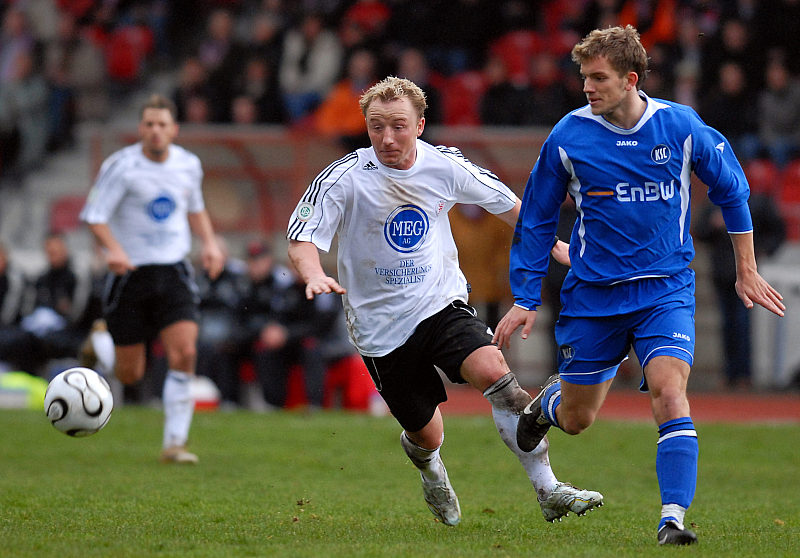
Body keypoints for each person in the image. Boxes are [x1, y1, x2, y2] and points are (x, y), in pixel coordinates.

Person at [493, 26, 786, 546]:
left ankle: (671, 517)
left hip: (664, 291)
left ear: (631, 80)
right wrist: (524, 295)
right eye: (584, 77)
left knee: (671, 395)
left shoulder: (679, 126)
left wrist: (747, 268)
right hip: (593, 297)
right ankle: (547, 406)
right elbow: (537, 218)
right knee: (579, 419)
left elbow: (732, 189)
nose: (587, 86)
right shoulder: (568, 135)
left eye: (598, 77)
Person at [287, 76, 602, 527]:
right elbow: (301, 238)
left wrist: (554, 246)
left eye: (398, 126)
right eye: (376, 127)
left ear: (419, 124)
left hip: (440, 303)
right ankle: (431, 468)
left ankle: (548, 489)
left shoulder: (445, 165)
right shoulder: (344, 177)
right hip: (379, 327)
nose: (387, 138)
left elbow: (508, 203)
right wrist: (315, 274)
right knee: (427, 433)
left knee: (498, 377)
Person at [79, 93, 225, 464]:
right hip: (130, 273)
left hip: (174, 269)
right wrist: (113, 249)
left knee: (185, 352)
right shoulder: (121, 166)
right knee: (131, 375)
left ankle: (174, 443)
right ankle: (102, 341)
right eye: (149, 124)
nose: (156, 131)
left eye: (162, 124)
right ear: (141, 129)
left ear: (174, 129)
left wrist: (209, 244)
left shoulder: (189, 165)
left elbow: (196, 208)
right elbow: (95, 215)